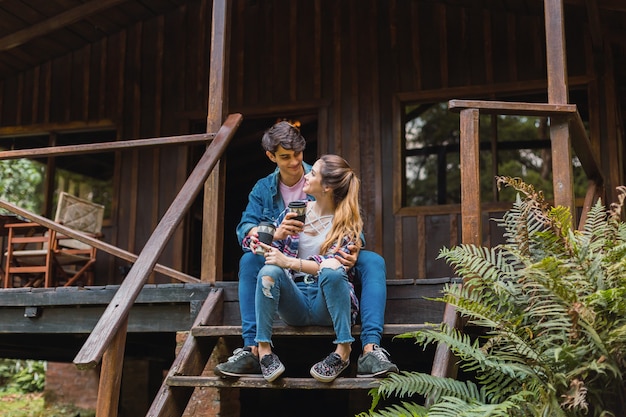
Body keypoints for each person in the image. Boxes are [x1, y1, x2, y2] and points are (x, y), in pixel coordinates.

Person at [214, 121, 398, 379]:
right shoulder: (263, 189)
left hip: (324, 268)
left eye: (297, 155)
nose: (294, 163)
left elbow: (349, 223)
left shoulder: (324, 175)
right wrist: (276, 235)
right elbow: (246, 229)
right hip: (289, 273)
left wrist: (354, 246)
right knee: (250, 262)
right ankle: (253, 349)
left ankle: (369, 349)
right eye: (285, 157)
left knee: (372, 261)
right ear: (271, 157)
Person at [253, 154, 361, 381]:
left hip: (328, 305)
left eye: (313, 173)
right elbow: (254, 246)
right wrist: (276, 235)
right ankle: (264, 351)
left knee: (331, 268)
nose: (306, 175)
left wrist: (290, 262)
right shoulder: (296, 210)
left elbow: (335, 264)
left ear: (327, 186)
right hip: (296, 302)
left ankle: (343, 350)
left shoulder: (348, 222)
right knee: (268, 272)